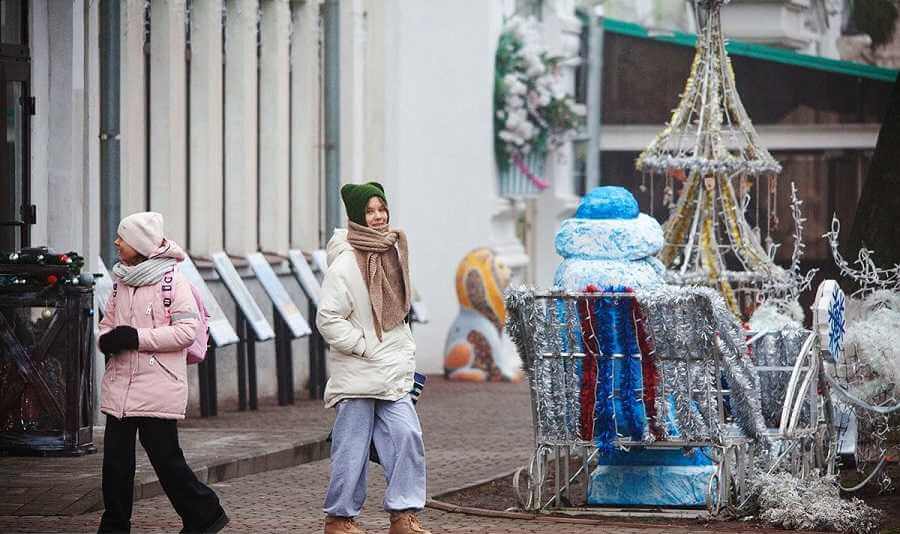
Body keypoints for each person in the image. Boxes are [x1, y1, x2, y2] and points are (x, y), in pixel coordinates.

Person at [97, 212, 228, 534]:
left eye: (122, 238)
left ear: (139, 244)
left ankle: (204, 512)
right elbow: (106, 326)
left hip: (158, 384)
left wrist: (136, 338)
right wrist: (107, 339)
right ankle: (114, 526)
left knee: (166, 460)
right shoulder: (121, 281)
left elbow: (186, 331)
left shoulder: (172, 280)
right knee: (115, 464)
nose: (116, 242)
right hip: (121, 383)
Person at [317, 183, 430, 534]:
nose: (378, 217)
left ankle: (403, 516)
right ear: (356, 217)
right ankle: (339, 519)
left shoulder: (393, 253)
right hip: (358, 372)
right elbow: (328, 318)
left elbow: (399, 315)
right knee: (350, 451)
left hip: (392, 372)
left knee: (407, 437)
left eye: (382, 209)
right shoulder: (346, 263)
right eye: (370, 211)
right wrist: (364, 346)